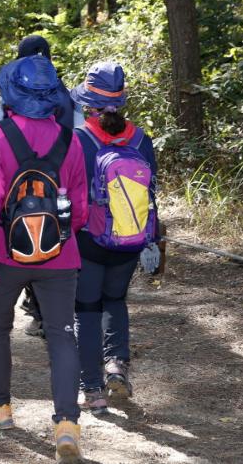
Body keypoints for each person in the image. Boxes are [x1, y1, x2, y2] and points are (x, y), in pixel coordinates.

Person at [0, 55, 88, 464]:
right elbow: (80, 205)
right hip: (59, 253)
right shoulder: (71, 140)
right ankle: (67, 426)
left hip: (5, 250)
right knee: (62, 334)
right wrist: (62, 236)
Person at [71, 62, 160, 415]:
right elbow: (151, 191)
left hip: (89, 239)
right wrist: (151, 239)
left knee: (86, 310)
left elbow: (71, 195)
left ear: (87, 103)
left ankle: (92, 388)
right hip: (130, 238)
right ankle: (117, 367)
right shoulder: (140, 139)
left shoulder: (79, 139)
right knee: (116, 301)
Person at [0, 35, 83, 339]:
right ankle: (53, 311)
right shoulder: (67, 94)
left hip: (20, 178)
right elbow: (79, 134)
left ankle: (37, 309)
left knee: (24, 229)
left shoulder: (11, 94)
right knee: (57, 231)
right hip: (62, 177)